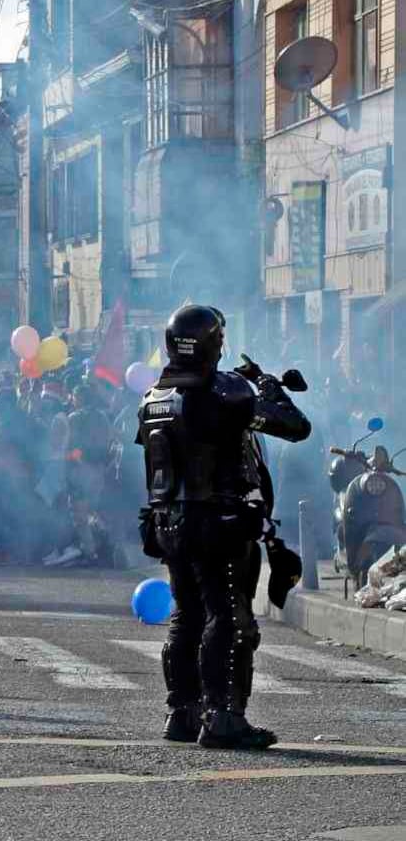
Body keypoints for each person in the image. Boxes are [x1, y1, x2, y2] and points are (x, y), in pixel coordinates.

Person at [137, 304, 311, 750]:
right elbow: (295, 427)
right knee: (229, 618)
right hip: (219, 521)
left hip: (170, 523)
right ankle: (223, 716)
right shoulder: (224, 391)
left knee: (187, 615)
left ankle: (183, 711)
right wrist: (270, 388)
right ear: (213, 342)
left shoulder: (154, 396)